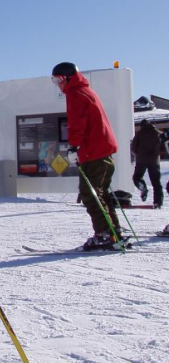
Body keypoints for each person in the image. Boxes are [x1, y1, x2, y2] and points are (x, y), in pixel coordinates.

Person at [52, 62, 122, 249]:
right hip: (103, 151)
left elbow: (77, 124)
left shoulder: (76, 94)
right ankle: (113, 231)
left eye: (58, 80)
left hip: (93, 152)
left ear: (68, 78)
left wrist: (74, 147)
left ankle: (105, 234)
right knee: (101, 193)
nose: (57, 84)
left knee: (89, 193)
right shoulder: (86, 91)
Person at [131, 119, 163, 208]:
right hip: (154, 161)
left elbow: (133, 146)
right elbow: (163, 144)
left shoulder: (140, 133)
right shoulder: (157, 132)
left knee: (137, 177)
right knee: (156, 183)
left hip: (141, 160)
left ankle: (142, 187)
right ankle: (158, 203)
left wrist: (138, 154)